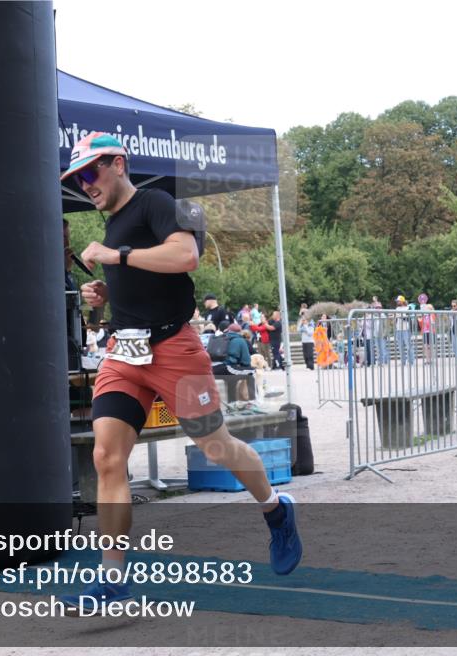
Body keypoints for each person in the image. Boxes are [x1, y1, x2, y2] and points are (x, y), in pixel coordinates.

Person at [62, 132, 301, 612]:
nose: (85, 184)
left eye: (91, 172)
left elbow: (184, 257)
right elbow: (141, 278)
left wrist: (116, 257)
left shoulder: (156, 203)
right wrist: (108, 294)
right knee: (107, 457)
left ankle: (276, 509)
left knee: (216, 446)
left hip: (175, 349)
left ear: (118, 163)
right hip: (126, 353)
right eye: (76, 178)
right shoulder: (111, 225)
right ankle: (113, 580)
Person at [211, 323, 255, 401]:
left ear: (229, 330)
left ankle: (232, 403)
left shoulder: (220, 338)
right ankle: (253, 402)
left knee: (233, 376)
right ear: (240, 332)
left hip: (212, 369)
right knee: (251, 373)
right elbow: (246, 361)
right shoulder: (240, 340)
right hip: (224, 368)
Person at [393, 296, 415, 366]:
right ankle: (403, 361)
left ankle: (411, 361)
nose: (397, 302)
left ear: (402, 301)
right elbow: (396, 319)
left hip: (406, 329)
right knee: (400, 346)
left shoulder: (408, 308)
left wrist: (401, 316)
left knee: (408, 346)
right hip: (398, 329)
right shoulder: (397, 308)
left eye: (398, 301)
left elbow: (409, 319)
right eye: (397, 301)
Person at [417, 294, 436, 364]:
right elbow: (421, 324)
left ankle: (431, 359)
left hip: (431, 332)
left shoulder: (432, 314)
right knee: (425, 346)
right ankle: (427, 360)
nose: (426, 309)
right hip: (425, 332)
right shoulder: (424, 316)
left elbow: (432, 322)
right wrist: (419, 320)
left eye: (428, 308)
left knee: (430, 346)